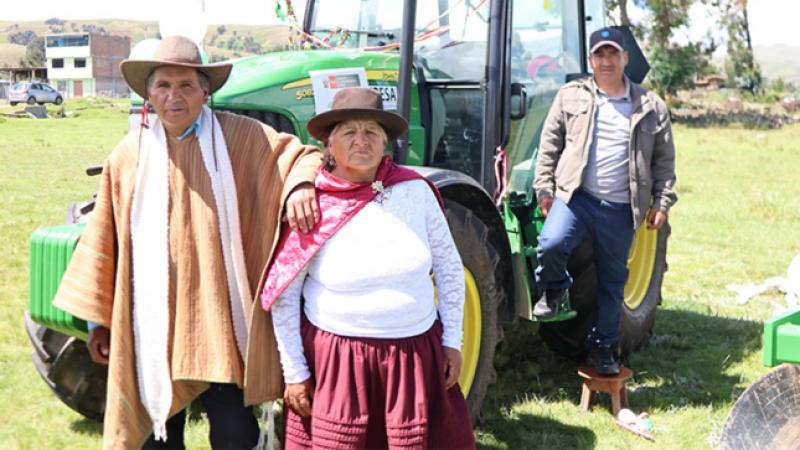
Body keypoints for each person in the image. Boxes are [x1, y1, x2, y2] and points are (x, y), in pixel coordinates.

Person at [52, 35, 322, 449]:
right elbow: (106, 239)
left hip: (222, 325)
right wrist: (99, 322)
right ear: (149, 93)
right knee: (159, 437)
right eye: (163, 86)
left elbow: (303, 156)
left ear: (205, 91)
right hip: (154, 328)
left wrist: (302, 184)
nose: (173, 97)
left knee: (236, 434)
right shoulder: (128, 157)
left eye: (185, 86)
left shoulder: (241, 138)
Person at [260, 87, 476, 449]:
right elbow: (285, 294)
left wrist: (452, 340)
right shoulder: (312, 202)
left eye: (372, 132)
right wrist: (295, 372)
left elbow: (451, 270)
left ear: (385, 142)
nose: (361, 141)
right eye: (349, 132)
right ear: (329, 143)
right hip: (339, 365)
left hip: (414, 360)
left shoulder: (415, 191)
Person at [532, 27, 677, 375]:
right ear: (591, 60)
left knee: (613, 284)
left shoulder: (650, 106)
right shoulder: (571, 96)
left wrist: (662, 202)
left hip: (621, 209)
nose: (607, 61)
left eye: (613, 54)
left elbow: (664, 160)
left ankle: (602, 350)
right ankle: (554, 291)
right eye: (600, 55)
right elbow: (549, 143)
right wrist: (545, 189)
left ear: (625, 58)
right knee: (551, 244)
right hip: (577, 198)